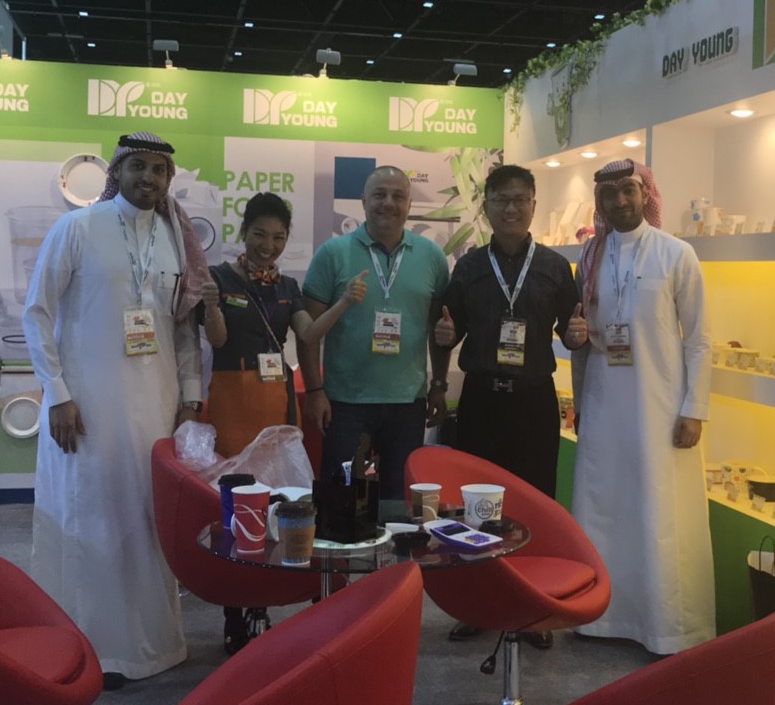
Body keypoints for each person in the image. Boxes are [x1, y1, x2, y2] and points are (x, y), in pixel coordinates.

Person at [23, 131, 209, 689]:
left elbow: (183, 328)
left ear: (168, 179)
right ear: (117, 172)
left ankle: (153, 647)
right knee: (94, 519)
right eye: (137, 167)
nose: (148, 178)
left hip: (156, 405)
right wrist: (57, 393)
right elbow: (36, 312)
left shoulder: (176, 239)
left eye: (159, 170)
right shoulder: (78, 228)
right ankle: (93, 651)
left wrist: (191, 398)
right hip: (88, 406)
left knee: (147, 521)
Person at [197, 191, 366, 653]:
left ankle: (270, 599)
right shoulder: (218, 278)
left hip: (277, 403)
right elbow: (217, 339)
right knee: (236, 514)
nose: (267, 246)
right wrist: (211, 307)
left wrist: (343, 302)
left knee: (278, 507)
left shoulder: (288, 287)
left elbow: (308, 333)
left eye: (277, 237)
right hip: (233, 402)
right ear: (242, 232)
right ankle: (236, 613)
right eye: (259, 235)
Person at [431, 163, 588, 647]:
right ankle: (480, 604)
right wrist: (446, 337)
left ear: (534, 205)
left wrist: (576, 336)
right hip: (481, 399)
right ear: (487, 208)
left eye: (520, 199)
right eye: (501, 200)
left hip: (534, 401)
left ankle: (533, 609)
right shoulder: (470, 266)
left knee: (536, 504)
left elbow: (571, 330)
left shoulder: (556, 268)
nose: (511, 209)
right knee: (477, 505)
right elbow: (448, 328)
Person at [570, 159, 714, 655]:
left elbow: (699, 340)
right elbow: (583, 338)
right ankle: (602, 618)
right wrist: (580, 403)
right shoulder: (590, 257)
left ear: (646, 193)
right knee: (605, 509)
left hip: (661, 409)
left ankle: (667, 628)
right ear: (600, 202)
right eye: (609, 194)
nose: (620, 201)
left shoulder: (677, 254)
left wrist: (694, 409)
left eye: (629, 190)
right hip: (603, 406)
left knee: (659, 513)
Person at [299, 165, 449, 500]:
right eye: (379, 194)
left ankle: (393, 539)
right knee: (339, 500)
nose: (388, 203)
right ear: (363, 200)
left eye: (398, 196)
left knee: (397, 500)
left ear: (409, 204)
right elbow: (307, 332)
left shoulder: (432, 257)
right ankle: (339, 538)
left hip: (407, 403)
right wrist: (314, 391)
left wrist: (439, 384)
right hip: (345, 402)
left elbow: (438, 329)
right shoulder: (333, 253)